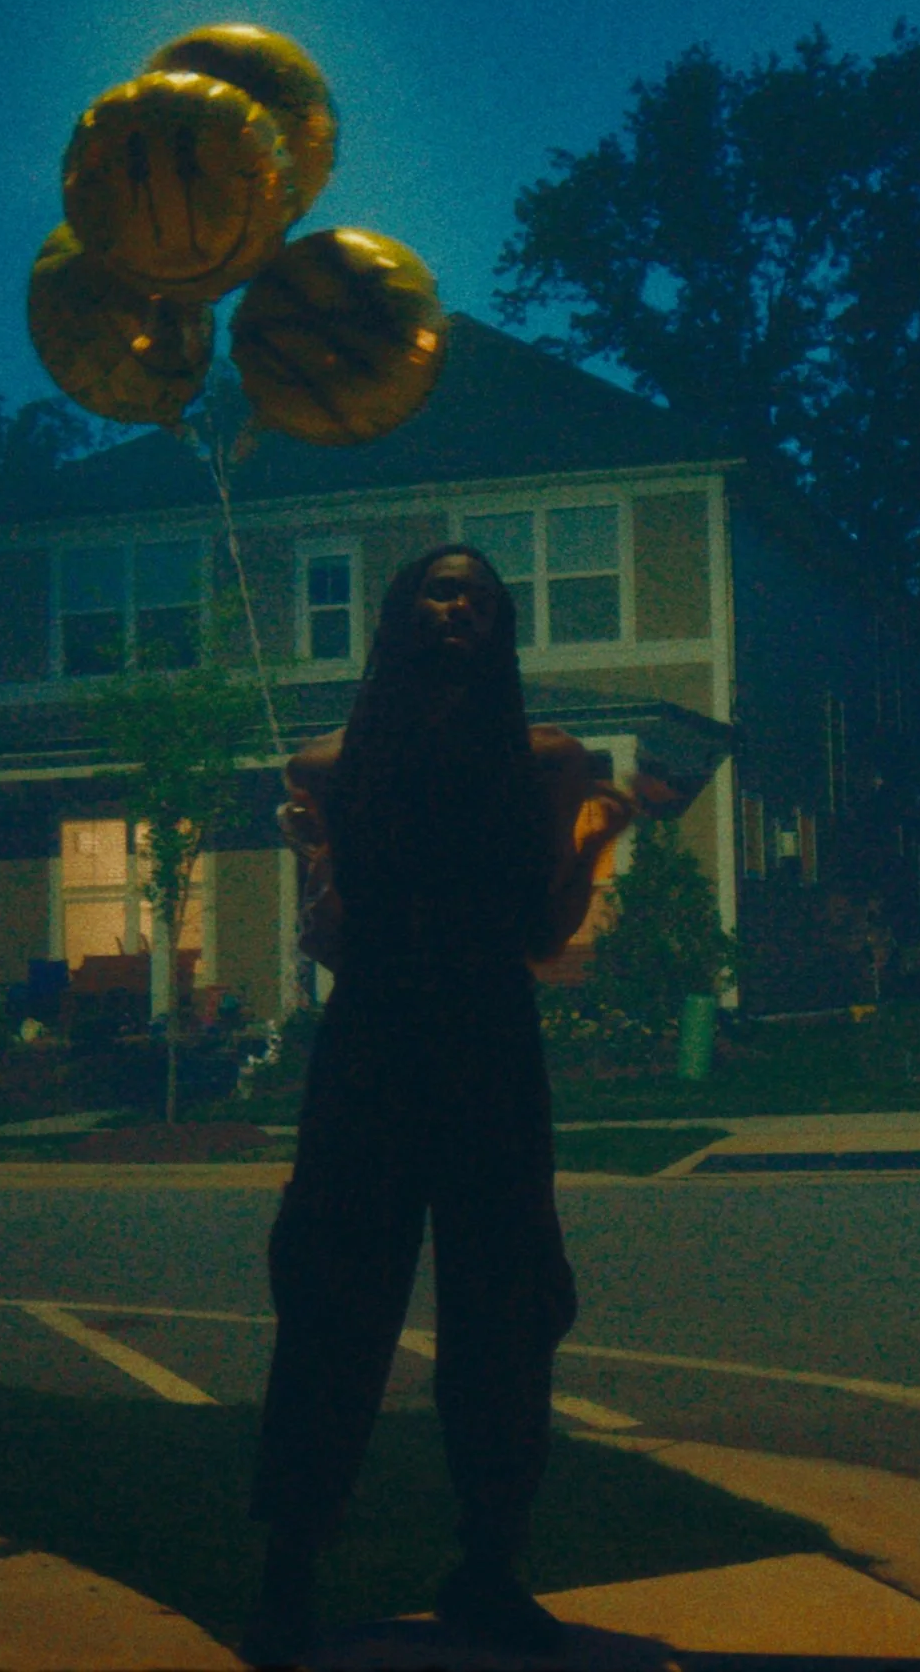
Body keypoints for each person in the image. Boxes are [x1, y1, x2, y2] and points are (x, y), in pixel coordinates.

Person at [243, 545, 637, 1664]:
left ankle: (489, 1568)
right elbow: (328, 934)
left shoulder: (547, 762)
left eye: (480, 597)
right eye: (439, 590)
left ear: (503, 625)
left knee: (507, 1303)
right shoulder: (328, 765)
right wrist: (315, 860)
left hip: (488, 1040)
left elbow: (543, 934)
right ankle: (288, 1569)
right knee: (331, 1292)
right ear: (401, 613)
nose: (459, 607)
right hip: (372, 1039)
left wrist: (593, 841)